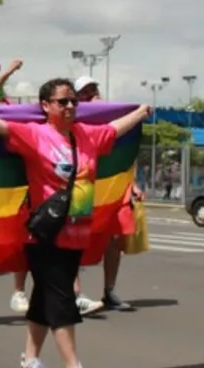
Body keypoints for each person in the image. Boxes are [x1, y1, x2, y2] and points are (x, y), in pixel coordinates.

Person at [0, 77, 148, 368]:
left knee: (44, 299)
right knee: (62, 299)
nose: (69, 106)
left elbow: (115, 129)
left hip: (77, 232)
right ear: (45, 105)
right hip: (44, 236)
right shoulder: (36, 134)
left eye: (73, 101)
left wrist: (140, 112)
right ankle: (73, 364)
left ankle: (30, 358)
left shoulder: (88, 135)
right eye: (62, 101)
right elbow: (3, 127)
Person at [72, 75, 140, 311]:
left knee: (113, 239)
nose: (92, 94)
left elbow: (125, 155)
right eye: (86, 91)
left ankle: (109, 291)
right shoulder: (72, 120)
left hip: (108, 189)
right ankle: (75, 294)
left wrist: (133, 183)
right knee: (73, 238)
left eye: (94, 89)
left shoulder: (114, 117)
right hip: (80, 186)